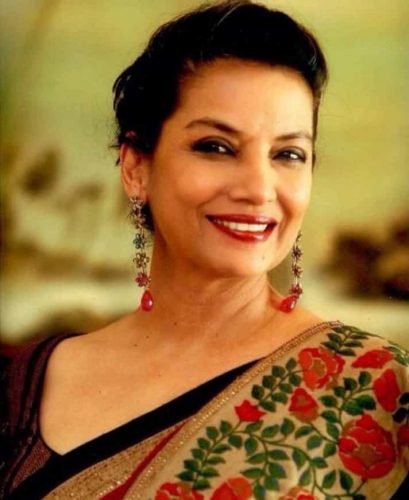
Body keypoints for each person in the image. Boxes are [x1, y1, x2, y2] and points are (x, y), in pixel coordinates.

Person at [1, 1, 408, 498]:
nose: (259, 189)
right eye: (216, 147)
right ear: (136, 167)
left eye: (288, 154)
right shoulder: (23, 385)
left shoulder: (375, 391)